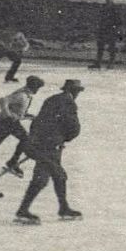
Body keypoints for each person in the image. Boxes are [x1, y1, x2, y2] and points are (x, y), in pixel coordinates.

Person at [15, 79, 84, 224]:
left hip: (44, 143)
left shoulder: (52, 99)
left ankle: (63, 207)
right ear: (75, 91)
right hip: (50, 146)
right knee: (48, 177)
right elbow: (73, 127)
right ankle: (23, 210)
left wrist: (36, 140)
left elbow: (39, 121)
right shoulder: (69, 103)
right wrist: (62, 138)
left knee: (55, 177)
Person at [92, 0, 124, 69]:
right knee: (100, 47)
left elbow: (119, 21)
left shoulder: (115, 9)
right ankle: (98, 63)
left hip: (111, 31)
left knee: (112, 48)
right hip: (103, 30)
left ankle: (111, 64)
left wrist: (116, 29)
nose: (107, 0)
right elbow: (100, 19)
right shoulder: (103, 7)